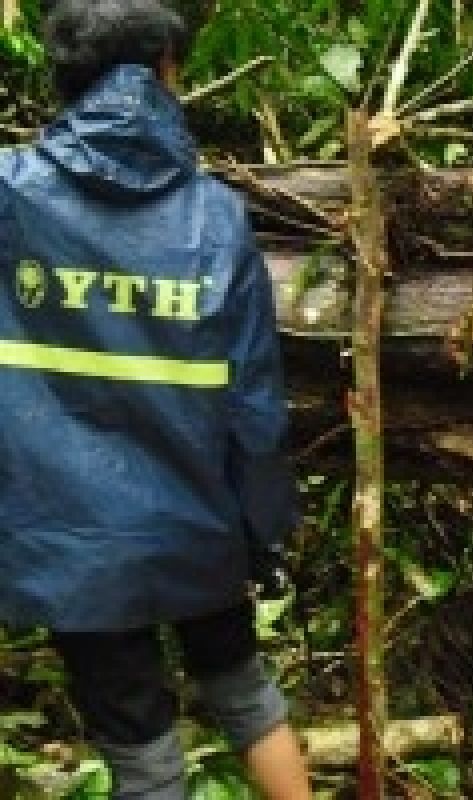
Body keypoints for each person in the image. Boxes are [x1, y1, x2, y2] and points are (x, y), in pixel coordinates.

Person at [0, 1, 312, 797]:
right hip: (197, 519)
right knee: (245, 694)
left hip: (69, 536)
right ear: (165, 71)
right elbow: (252, 395)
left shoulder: (11, 197)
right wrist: (266, 526)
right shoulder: (214, 213)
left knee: (140, 750)